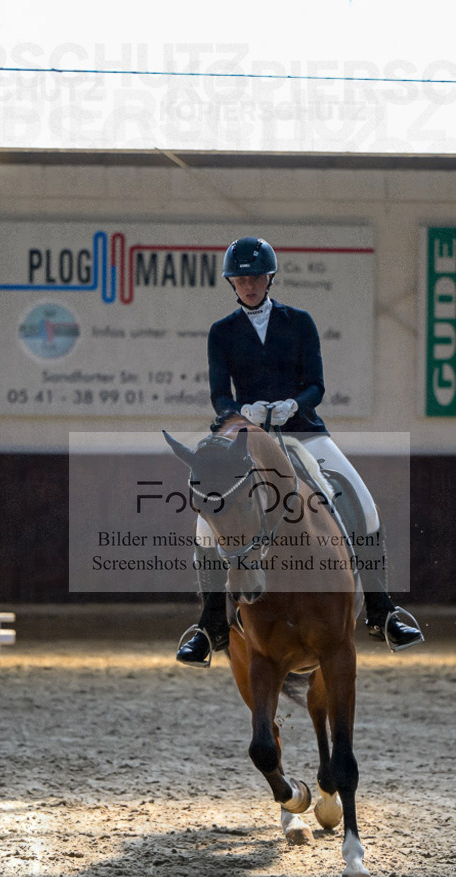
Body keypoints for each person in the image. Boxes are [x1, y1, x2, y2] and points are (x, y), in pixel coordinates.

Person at [176, 235, 423, 664]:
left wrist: (294, 404)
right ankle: (210, 624)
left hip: (304, 430)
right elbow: (219, 395)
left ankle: (382, 611)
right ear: (232, 283)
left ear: (269, 277)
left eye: (256, 277)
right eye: (241, 279)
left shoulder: (300, 322)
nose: (249, 285)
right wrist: (241, 412)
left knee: (363, 503)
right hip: (248, 438)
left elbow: (317, 385)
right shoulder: (222, 332)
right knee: (205, 523)